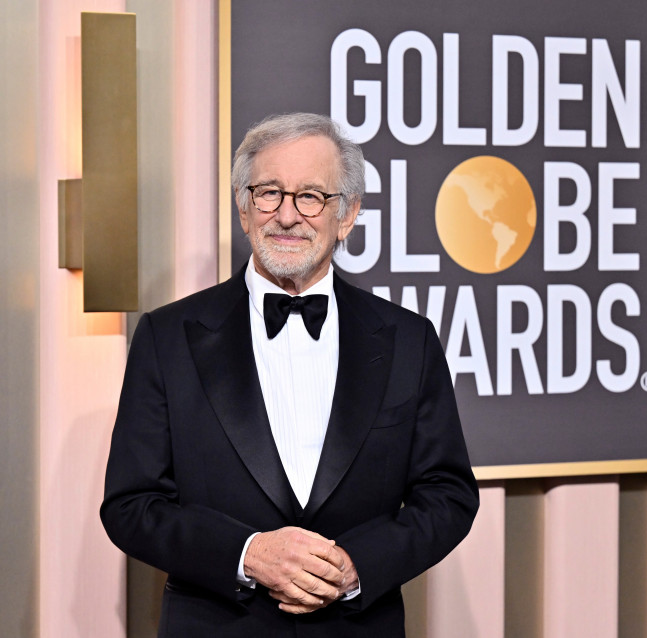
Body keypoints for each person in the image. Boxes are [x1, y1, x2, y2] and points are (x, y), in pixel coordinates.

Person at [101, 112, 479, 637]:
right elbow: (130, 505)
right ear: (243, 208)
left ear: (346, 217)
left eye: (311, 196)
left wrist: (354, 566)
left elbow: (448, 494)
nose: (287, 215)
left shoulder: (408, 340)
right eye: (269, 193)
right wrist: (248, 554)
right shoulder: (168, 337)